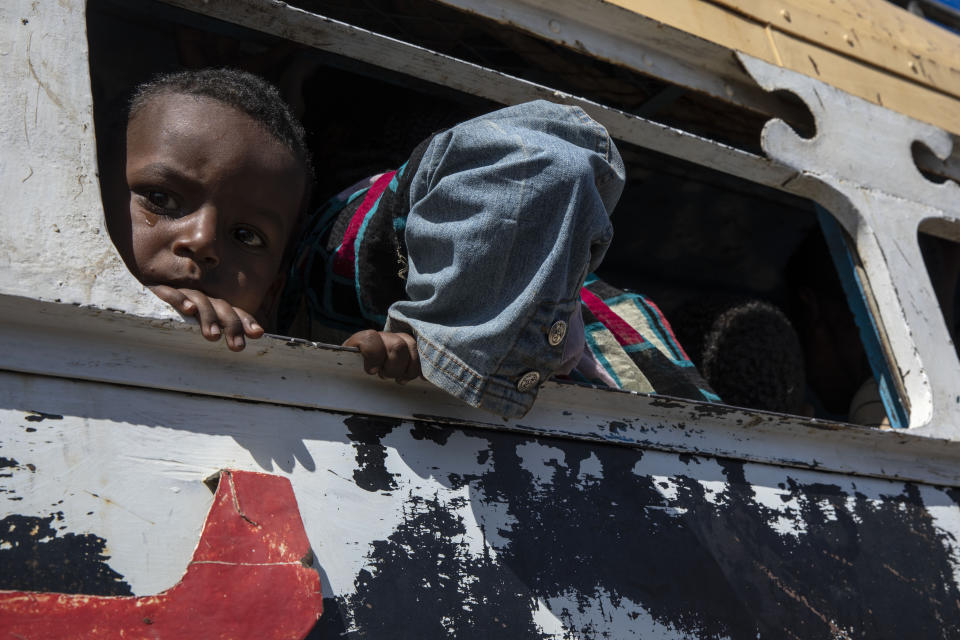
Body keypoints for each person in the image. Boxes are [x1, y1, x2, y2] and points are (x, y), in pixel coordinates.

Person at [108, 68, 714, 419]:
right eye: (160, 200)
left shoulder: (332, 248)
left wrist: (436, 348)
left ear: (280, 271)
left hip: (633, 373)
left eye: (248, 236)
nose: (202, 241)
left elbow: (534, 159)